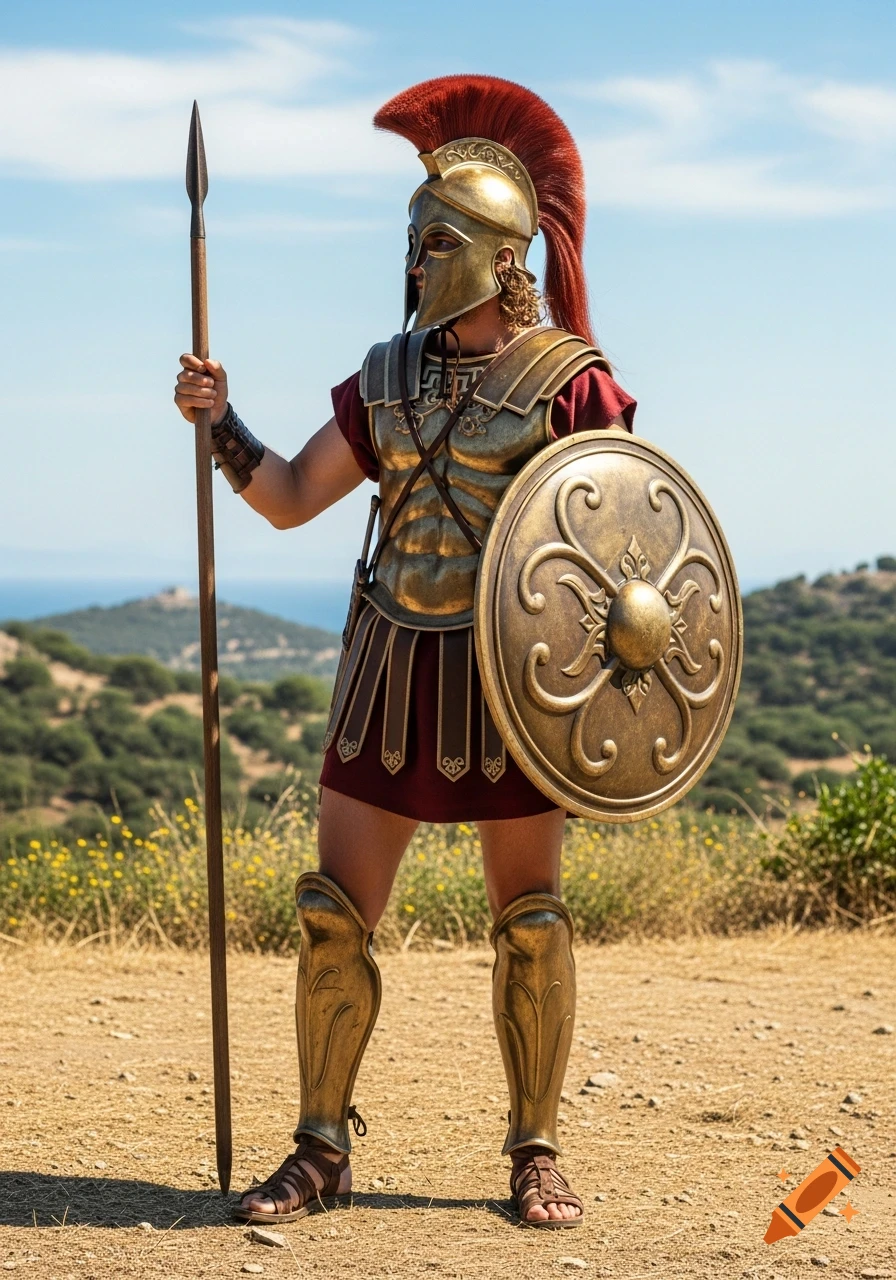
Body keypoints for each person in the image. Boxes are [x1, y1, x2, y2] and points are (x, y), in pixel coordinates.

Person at [174, 75, 636, 1229]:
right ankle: (320, 1147)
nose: (419, 261)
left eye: (438, 241)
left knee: (529, 919)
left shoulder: (567, 383)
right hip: (389, 669)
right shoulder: (385, 377)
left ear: (493, 253)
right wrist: (220, 419)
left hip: (510, 680)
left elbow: (625, 550)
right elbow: (286, 497)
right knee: (335, 910)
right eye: (415, 240)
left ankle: (533, 1146)